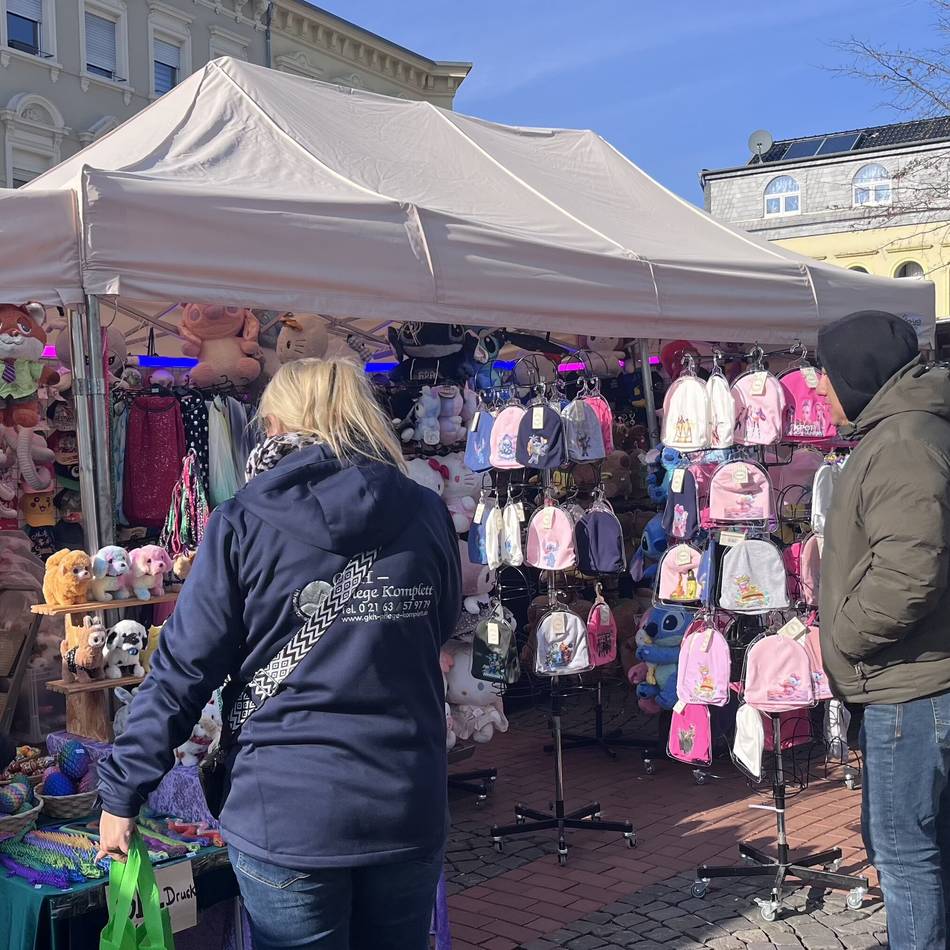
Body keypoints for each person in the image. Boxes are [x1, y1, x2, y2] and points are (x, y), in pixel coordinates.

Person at [97, 358, 462, 950]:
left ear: (275, 424)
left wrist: (123, 791)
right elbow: (439, 625)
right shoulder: (424, 511)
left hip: (287, 807)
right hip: (405, 796)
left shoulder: (243, 520)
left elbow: (184, 670)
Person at [817, 310, 950, 950]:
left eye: (824, 371)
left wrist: (844, 634)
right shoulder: (909, 430)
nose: (818, 386)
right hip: (913, 677)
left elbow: (910, 570)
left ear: (857, 373)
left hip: (908, 686)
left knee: (906, 856)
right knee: (922, 851)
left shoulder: (901, 442)